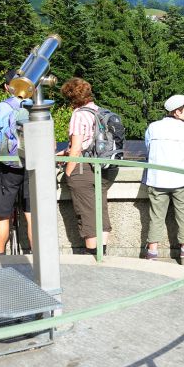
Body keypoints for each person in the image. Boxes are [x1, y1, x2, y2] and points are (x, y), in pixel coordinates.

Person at [59, 77, 117, 255]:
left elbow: (77, 148)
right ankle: (102, 251)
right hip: (106, 168)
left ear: (71, 98)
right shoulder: (100, 111)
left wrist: (68, 172)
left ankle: (92, 254)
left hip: (84, 169)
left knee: (86, 212)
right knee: (100, 208)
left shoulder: (78, 114)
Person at [143, 95, 184, 264]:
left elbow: (148, 148)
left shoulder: (153, 127)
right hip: (180, 180)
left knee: (156, 217)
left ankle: (152, 252)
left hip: (156, 179)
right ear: (177, 112)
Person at [0, 69, 33, 255]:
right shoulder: (38, 107)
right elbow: (49, 144)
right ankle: (39, 260)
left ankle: (0, 257)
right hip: (33, 167)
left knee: (2, 215)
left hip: (7, 167)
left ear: (6, 87)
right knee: (32, 215)